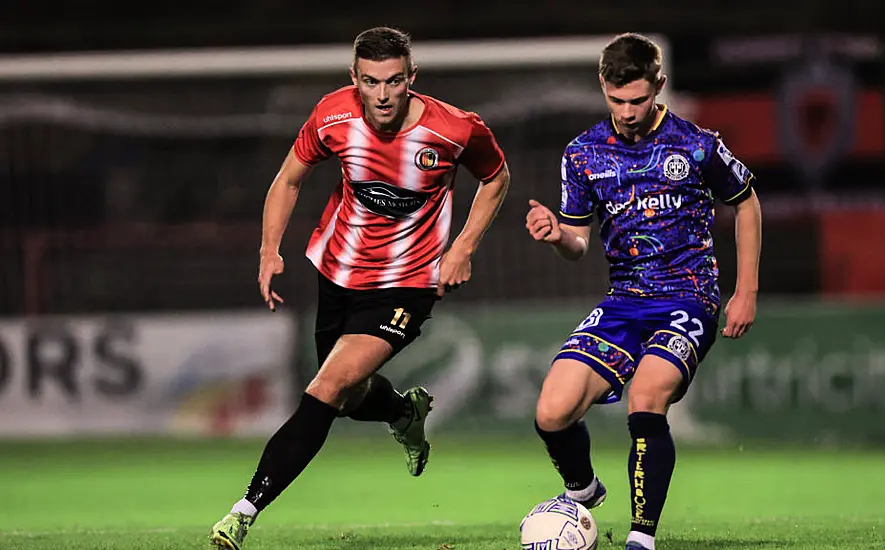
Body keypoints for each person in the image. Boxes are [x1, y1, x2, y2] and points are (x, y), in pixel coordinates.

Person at [209, 26, 510, 549]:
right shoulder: (333, 114)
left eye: (394, 81)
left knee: (324, 390)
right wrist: (268, 249)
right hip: (337, 272)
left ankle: (242, 512)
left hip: (408, 283)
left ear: (411, 78)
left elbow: (497, 177)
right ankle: (403, 412)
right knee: (346, 399)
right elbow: (288, 179)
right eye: (371, 82)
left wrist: (462, 248)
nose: (383, 94)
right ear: (355, 79)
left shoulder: (454, 129)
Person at [525, 33, 762, 550]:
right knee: (551, 412)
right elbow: (578, 244)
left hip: (687, 299)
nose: (628, 112)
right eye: (617, 100)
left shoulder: (696, 144)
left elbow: (746, 202)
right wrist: (556, 234)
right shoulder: (583, 153)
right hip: (624, 301)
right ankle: (584, 489)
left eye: (638, 100)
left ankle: (641, 538)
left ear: (660, 86)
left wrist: (745, 290)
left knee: (647, 395)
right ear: (602, 88)